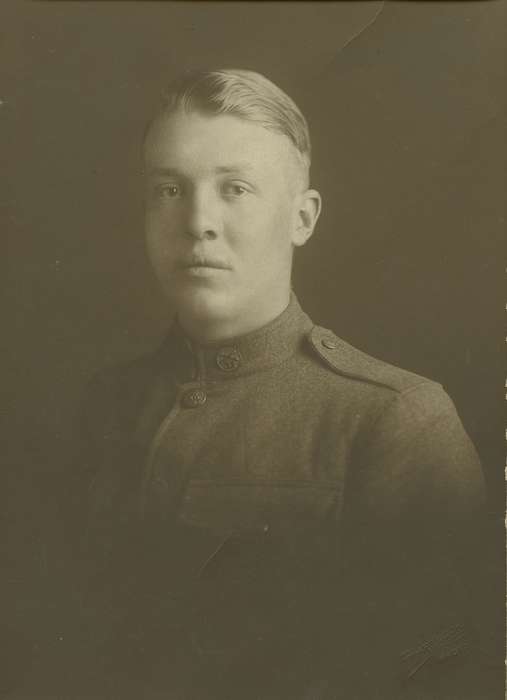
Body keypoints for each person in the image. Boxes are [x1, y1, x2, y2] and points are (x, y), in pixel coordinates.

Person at [62, 69, 499, 699]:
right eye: (168, 189)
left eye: (234, 188)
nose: (197, 222)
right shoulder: (106, 406)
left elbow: (450, 667)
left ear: (302, 217)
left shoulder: (397, 420)